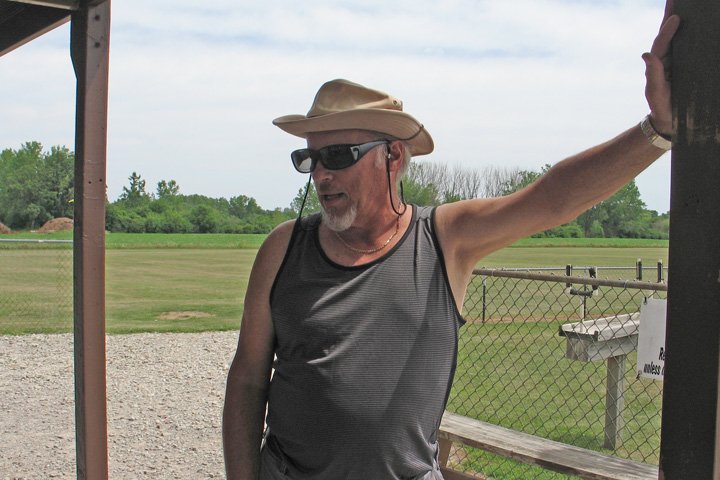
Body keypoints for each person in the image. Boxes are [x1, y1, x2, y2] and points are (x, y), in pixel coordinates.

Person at [223, 9, 680, 480]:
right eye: (309, 158)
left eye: (337, 156)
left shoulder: (443, 239)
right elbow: (248, 378)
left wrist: (656, 131)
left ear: (392, 156)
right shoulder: (283, 249)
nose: (320, 174)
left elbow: (550, 199)